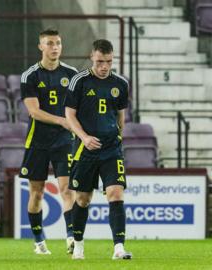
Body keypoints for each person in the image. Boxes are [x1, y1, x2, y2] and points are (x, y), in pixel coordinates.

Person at [64, 39, 132, 260]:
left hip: (111, 149)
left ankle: (119, 248)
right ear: (92, 57)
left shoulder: (120, 83)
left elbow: (121, 117)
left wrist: (116, 136)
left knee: (115, 192)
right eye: (101, 61)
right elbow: (69, 114)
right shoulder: (79, 81)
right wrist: (84, 138)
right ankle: (79, 244)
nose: (105, 66)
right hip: (85, 150)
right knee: (83, 199)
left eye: (109, 62)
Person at [18, 29, 77, 255]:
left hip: (64, 140)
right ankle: (38, 239)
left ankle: (71, 237)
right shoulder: (30, 76)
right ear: (40, 47)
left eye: (58, 43)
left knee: (67, 189)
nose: (55, 47)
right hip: (38, 141)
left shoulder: (72, 74)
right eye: (50, 43)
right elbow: (34, 112)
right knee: (37, 192)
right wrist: (62, 120)